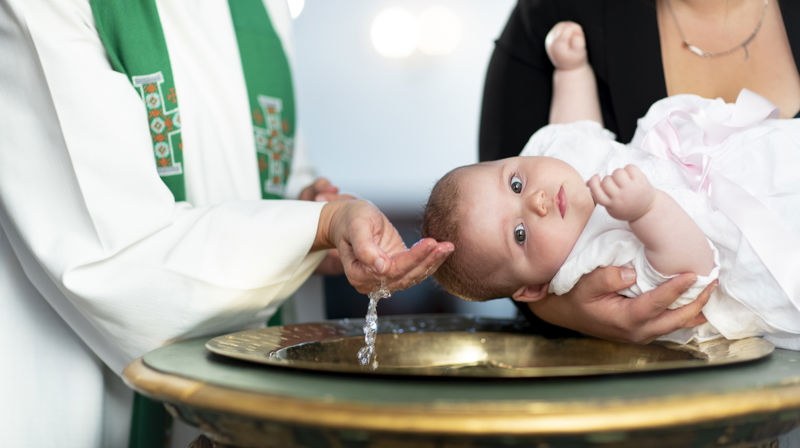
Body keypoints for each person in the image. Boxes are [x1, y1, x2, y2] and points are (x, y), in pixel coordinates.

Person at [0, 1, 453, 447]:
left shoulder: (269, 7)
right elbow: (109, 252)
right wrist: (312, 227)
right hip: (86, 383)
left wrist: (314, 223)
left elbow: (274, 169)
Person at [422, 19, 800, 350]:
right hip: (749, 250)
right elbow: (690, 273)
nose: (537, 201)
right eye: (520, 234)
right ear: (532, 291)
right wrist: (647, 211)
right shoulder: (593, 264)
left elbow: (576, 131)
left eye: (516, 185)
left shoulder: (555, 162)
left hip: (741, 164)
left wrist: (571, 71)